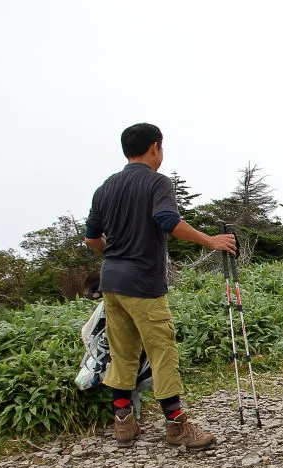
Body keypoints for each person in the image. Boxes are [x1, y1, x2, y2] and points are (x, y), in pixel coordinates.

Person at [84, 123, 236, 450]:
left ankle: (123, 422)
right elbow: (167, 221)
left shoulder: (105, 188)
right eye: (161, 148)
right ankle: (176, 424)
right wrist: (211, 240)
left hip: (112, 282)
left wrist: (114, 252)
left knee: (122, 351)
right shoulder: (157, 182)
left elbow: (91, 239)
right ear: (155, 147)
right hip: (144, 283)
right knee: (161, 351)